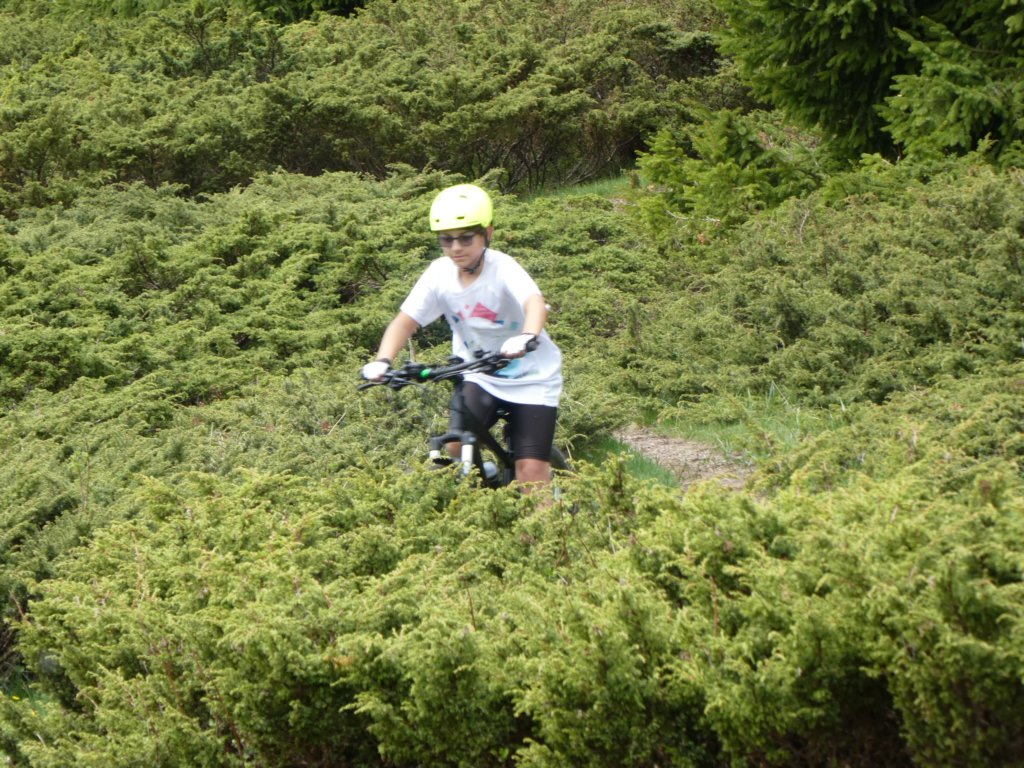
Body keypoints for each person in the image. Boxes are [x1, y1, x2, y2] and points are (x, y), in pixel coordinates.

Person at [361, 183, 562, 491]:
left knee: (530, 470)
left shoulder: (503, 267)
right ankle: (487, 488)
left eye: (466, 238)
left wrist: (527, 336)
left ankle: (549, 519)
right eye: (447, 239)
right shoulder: (438, 274)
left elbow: (534, 303)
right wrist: (383, 360)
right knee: (455, 444)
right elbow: (404, 322)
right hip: (479, 374)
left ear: (487, 233)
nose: (456, 247)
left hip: (533, 378)